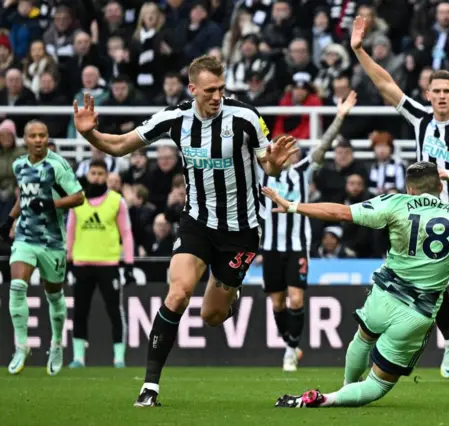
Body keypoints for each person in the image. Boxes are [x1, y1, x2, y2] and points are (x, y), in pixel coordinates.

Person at [71, 54, 298, 407]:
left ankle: (229, 295)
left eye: (222, 89)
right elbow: (119, 145)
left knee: (211, 316)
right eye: (210, 90)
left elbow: (266, 161)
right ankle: (150, 388)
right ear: (192, 88)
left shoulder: (246, 117)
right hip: (197, 223)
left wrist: (275, 165)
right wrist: (90, 134)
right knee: (177, 294)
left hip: (241, 231)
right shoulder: (175, 118)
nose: (217, 96)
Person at [264, 146, 449, 408]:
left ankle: (347, 386)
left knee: (363, 338)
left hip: (384, 296)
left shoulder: (395, 204)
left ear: (410, 189)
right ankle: (330, 399)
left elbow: (341, 213)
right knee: (378, 385)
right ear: (440, 186)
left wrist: (293, 206)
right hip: (418, 312)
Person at [350, 15, 449, 377]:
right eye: (437, 92)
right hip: (431, 216)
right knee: (435, 283)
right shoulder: (420, 117)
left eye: (448, 92)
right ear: (428, 94)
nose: (442, 97)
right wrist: (358, 50)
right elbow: (386, 84)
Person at [261, 90, 358, 372]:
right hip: (270, 246)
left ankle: (291, 350)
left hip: (296, 245)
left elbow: (325, 145)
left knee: (296, 298)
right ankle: (290, 343)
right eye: (284, 146)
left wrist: (339, 117)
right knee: (278, 303)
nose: (290, 152)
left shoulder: (303, 169)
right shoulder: (263, 173)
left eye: (293, 147)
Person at [0, 120, 84, 376]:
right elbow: (24, 196)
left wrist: (51, 204)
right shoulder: (19, 165)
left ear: (48, 138)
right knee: (17, 286)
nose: (38, 140)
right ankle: (21, 345)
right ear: (25, 140)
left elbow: (79, 197)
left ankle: (56, 343)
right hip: (26, 236)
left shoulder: (57, 166)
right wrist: (10, 220)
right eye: (33, 136)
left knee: (54, 295)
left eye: (43, 135)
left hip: (52, 241)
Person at [66, 159, 135, 368]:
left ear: (107, 176)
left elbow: (127, 233)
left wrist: (129, 264)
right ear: (87, 175)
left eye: (100, 174)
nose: (96, 177)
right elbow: (70, 230)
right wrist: (68, 259)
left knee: (114, 310)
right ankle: (78, 358)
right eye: (93, 173)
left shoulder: (117, 201)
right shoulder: (77, 200)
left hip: (108, 263)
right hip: (82, 262)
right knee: (79, 311)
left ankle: (119, 358)